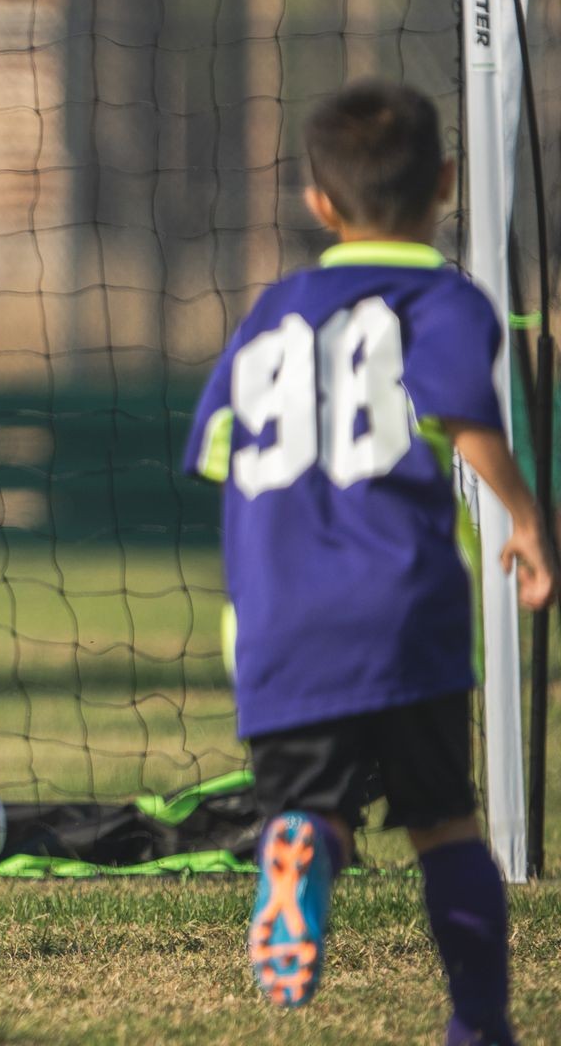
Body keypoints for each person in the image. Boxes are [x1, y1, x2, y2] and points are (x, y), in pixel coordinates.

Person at [184, 81, 547, 1042]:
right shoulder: (445, 298)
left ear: (318, 202)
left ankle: (299, 846)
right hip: (404, 603)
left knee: (309, 805)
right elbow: (467, 419)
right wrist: (528, 520)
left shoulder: (272, 310)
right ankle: (478, 1023)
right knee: (443, 827)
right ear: (447, 184)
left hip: (278, 614)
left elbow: (218, 449)